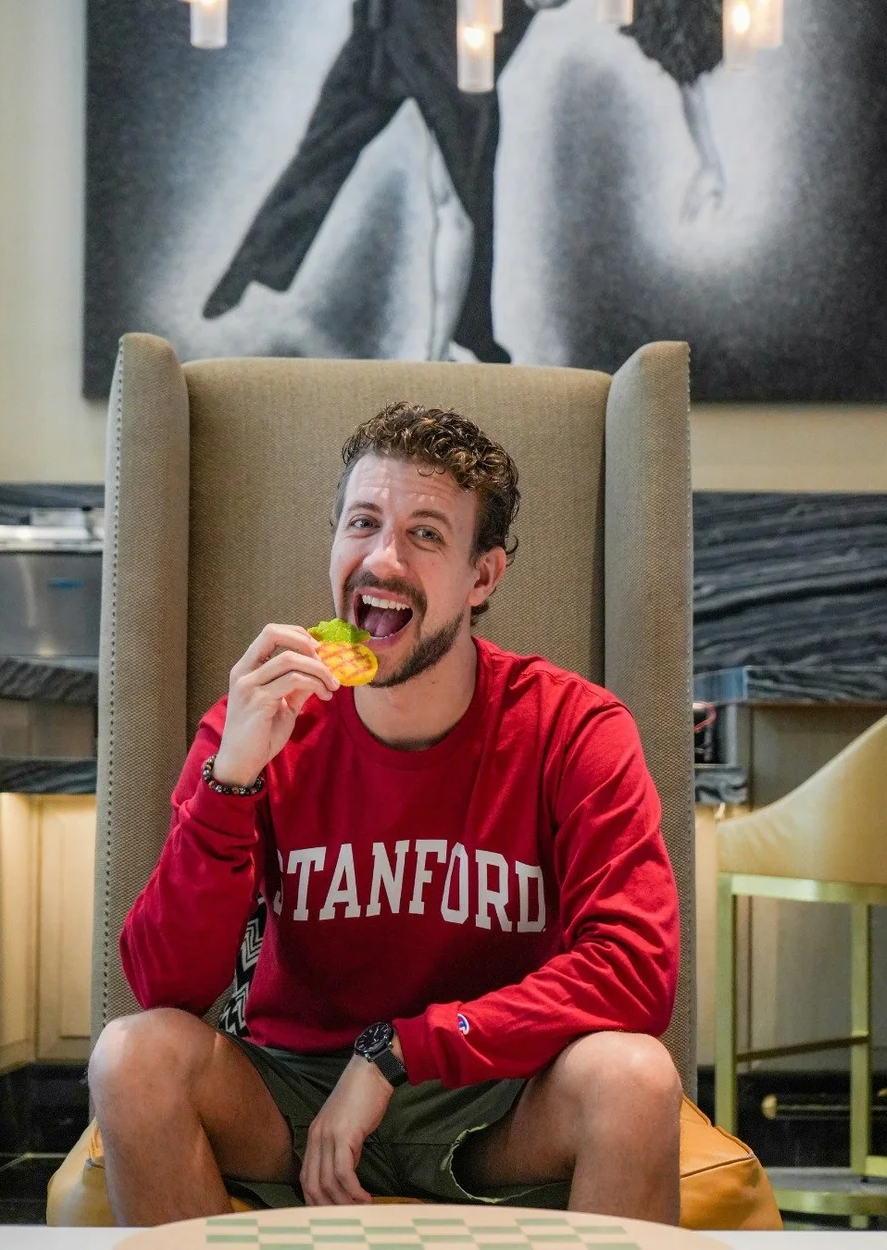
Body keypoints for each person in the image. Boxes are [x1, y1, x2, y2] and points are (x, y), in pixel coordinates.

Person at [88, 402, 684, 1227]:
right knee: (131, 1055)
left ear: (483, 578)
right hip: (287, 1091)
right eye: (362, 523)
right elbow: (163, 986)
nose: (382, 559)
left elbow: (633, 969)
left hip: (495, 1100)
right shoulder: (255, 726)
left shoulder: (573, 729)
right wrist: (230, 783)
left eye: (427, 535)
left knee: (637, 1076)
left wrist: (398, 1049)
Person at [201, 0, 724, 363]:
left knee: (454, 197)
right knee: (443, 192)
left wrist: (710, 157)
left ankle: (448, 342)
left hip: (442, 50)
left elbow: (672, 34)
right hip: (407, 35)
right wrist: (709, 158)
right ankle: (447, 341)